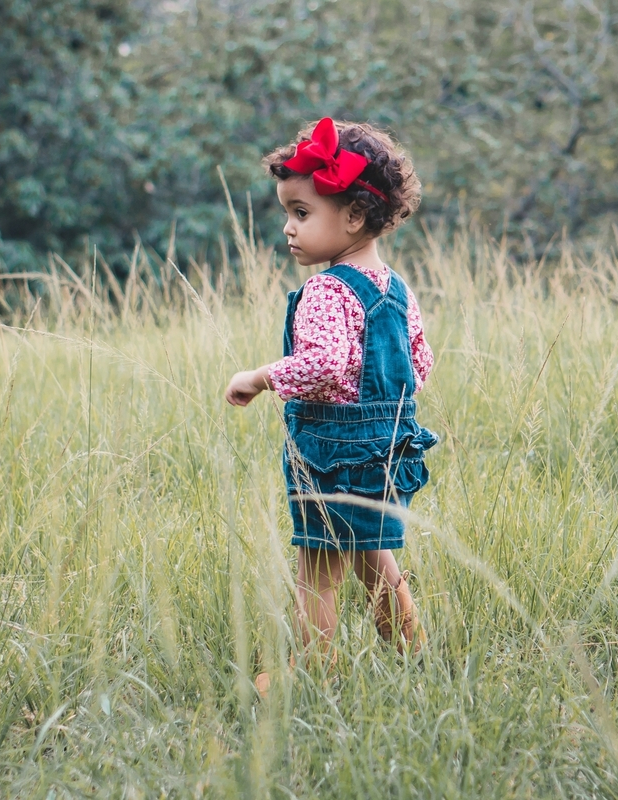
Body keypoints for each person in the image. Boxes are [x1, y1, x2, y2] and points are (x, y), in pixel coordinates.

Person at [223, 118, 438, 691]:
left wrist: (260, 377)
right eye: (287, 213)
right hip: (389, 447)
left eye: (301, 212)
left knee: (317, 570)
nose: (288, 228)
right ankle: (412, 654)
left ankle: (313, 668)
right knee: (375, 557)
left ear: (354, 216)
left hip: (331, 451)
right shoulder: (396, 287)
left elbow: (325, 365)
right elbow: (419, 364)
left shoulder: (326, 289)